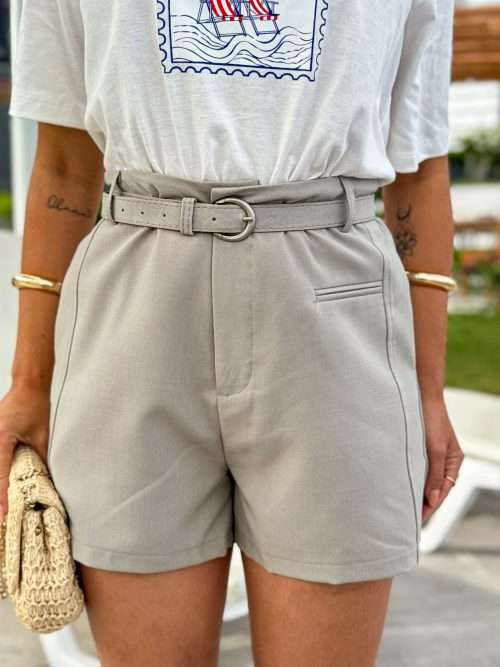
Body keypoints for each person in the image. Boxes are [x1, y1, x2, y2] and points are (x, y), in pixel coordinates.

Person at [2, 1, 463, 665]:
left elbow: (420, 166)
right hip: (135, 309)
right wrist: (28, 383)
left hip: (333, 309)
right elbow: (66, 167)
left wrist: (428, 389)